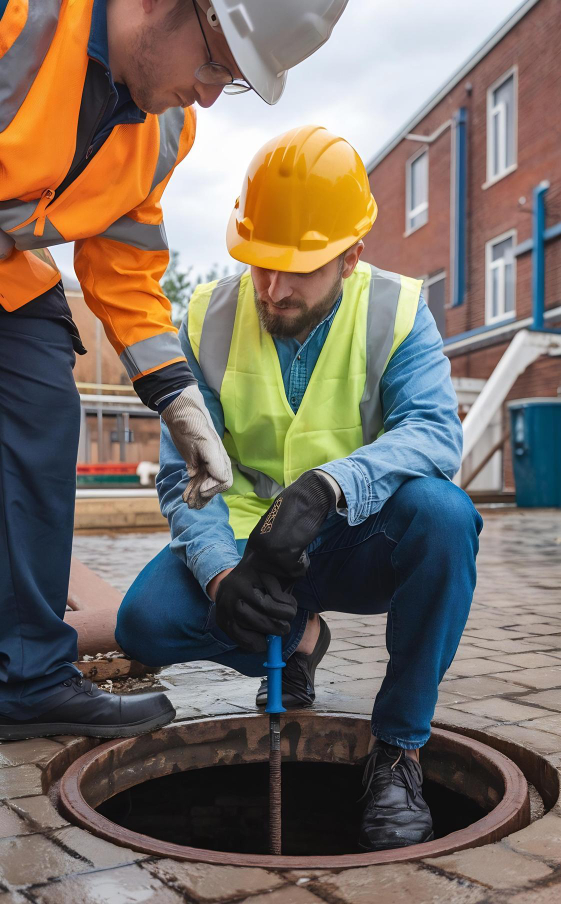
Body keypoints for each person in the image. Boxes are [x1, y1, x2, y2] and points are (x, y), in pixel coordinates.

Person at [117, 125, 483, 851]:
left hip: (356, 536)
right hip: (251, 541)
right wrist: (223, 577)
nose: (272, 289)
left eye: (298, 269)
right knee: (144, 623)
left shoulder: (397, 312)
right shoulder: (206, 319)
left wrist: (328, 487)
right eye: (258, 265)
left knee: (445, 517)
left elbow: (435, 436)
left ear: (350, 257)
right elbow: (177, 474)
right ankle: (301, 640)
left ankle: (398, 750)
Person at [0, 1, 350, 741]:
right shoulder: (21, 18)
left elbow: (124, 260)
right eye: (216, 63)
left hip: (11, 272)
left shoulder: (166, 130)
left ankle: (27, 678)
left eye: (233, 80)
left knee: (42, 410)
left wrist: (176, 400)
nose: (211, 92)